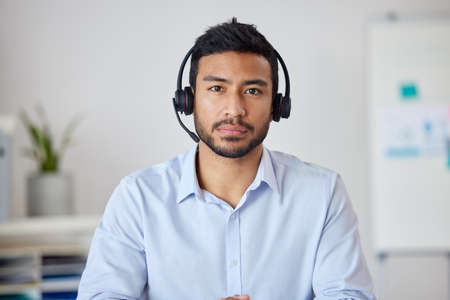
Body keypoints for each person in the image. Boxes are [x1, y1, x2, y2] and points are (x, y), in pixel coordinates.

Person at [77, 18, 376, 300]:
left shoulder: (322, 194)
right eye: (217, 88)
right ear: (189, 100)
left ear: (276, 105)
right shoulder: (138, 198)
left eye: (253, 90)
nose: (234, 109)